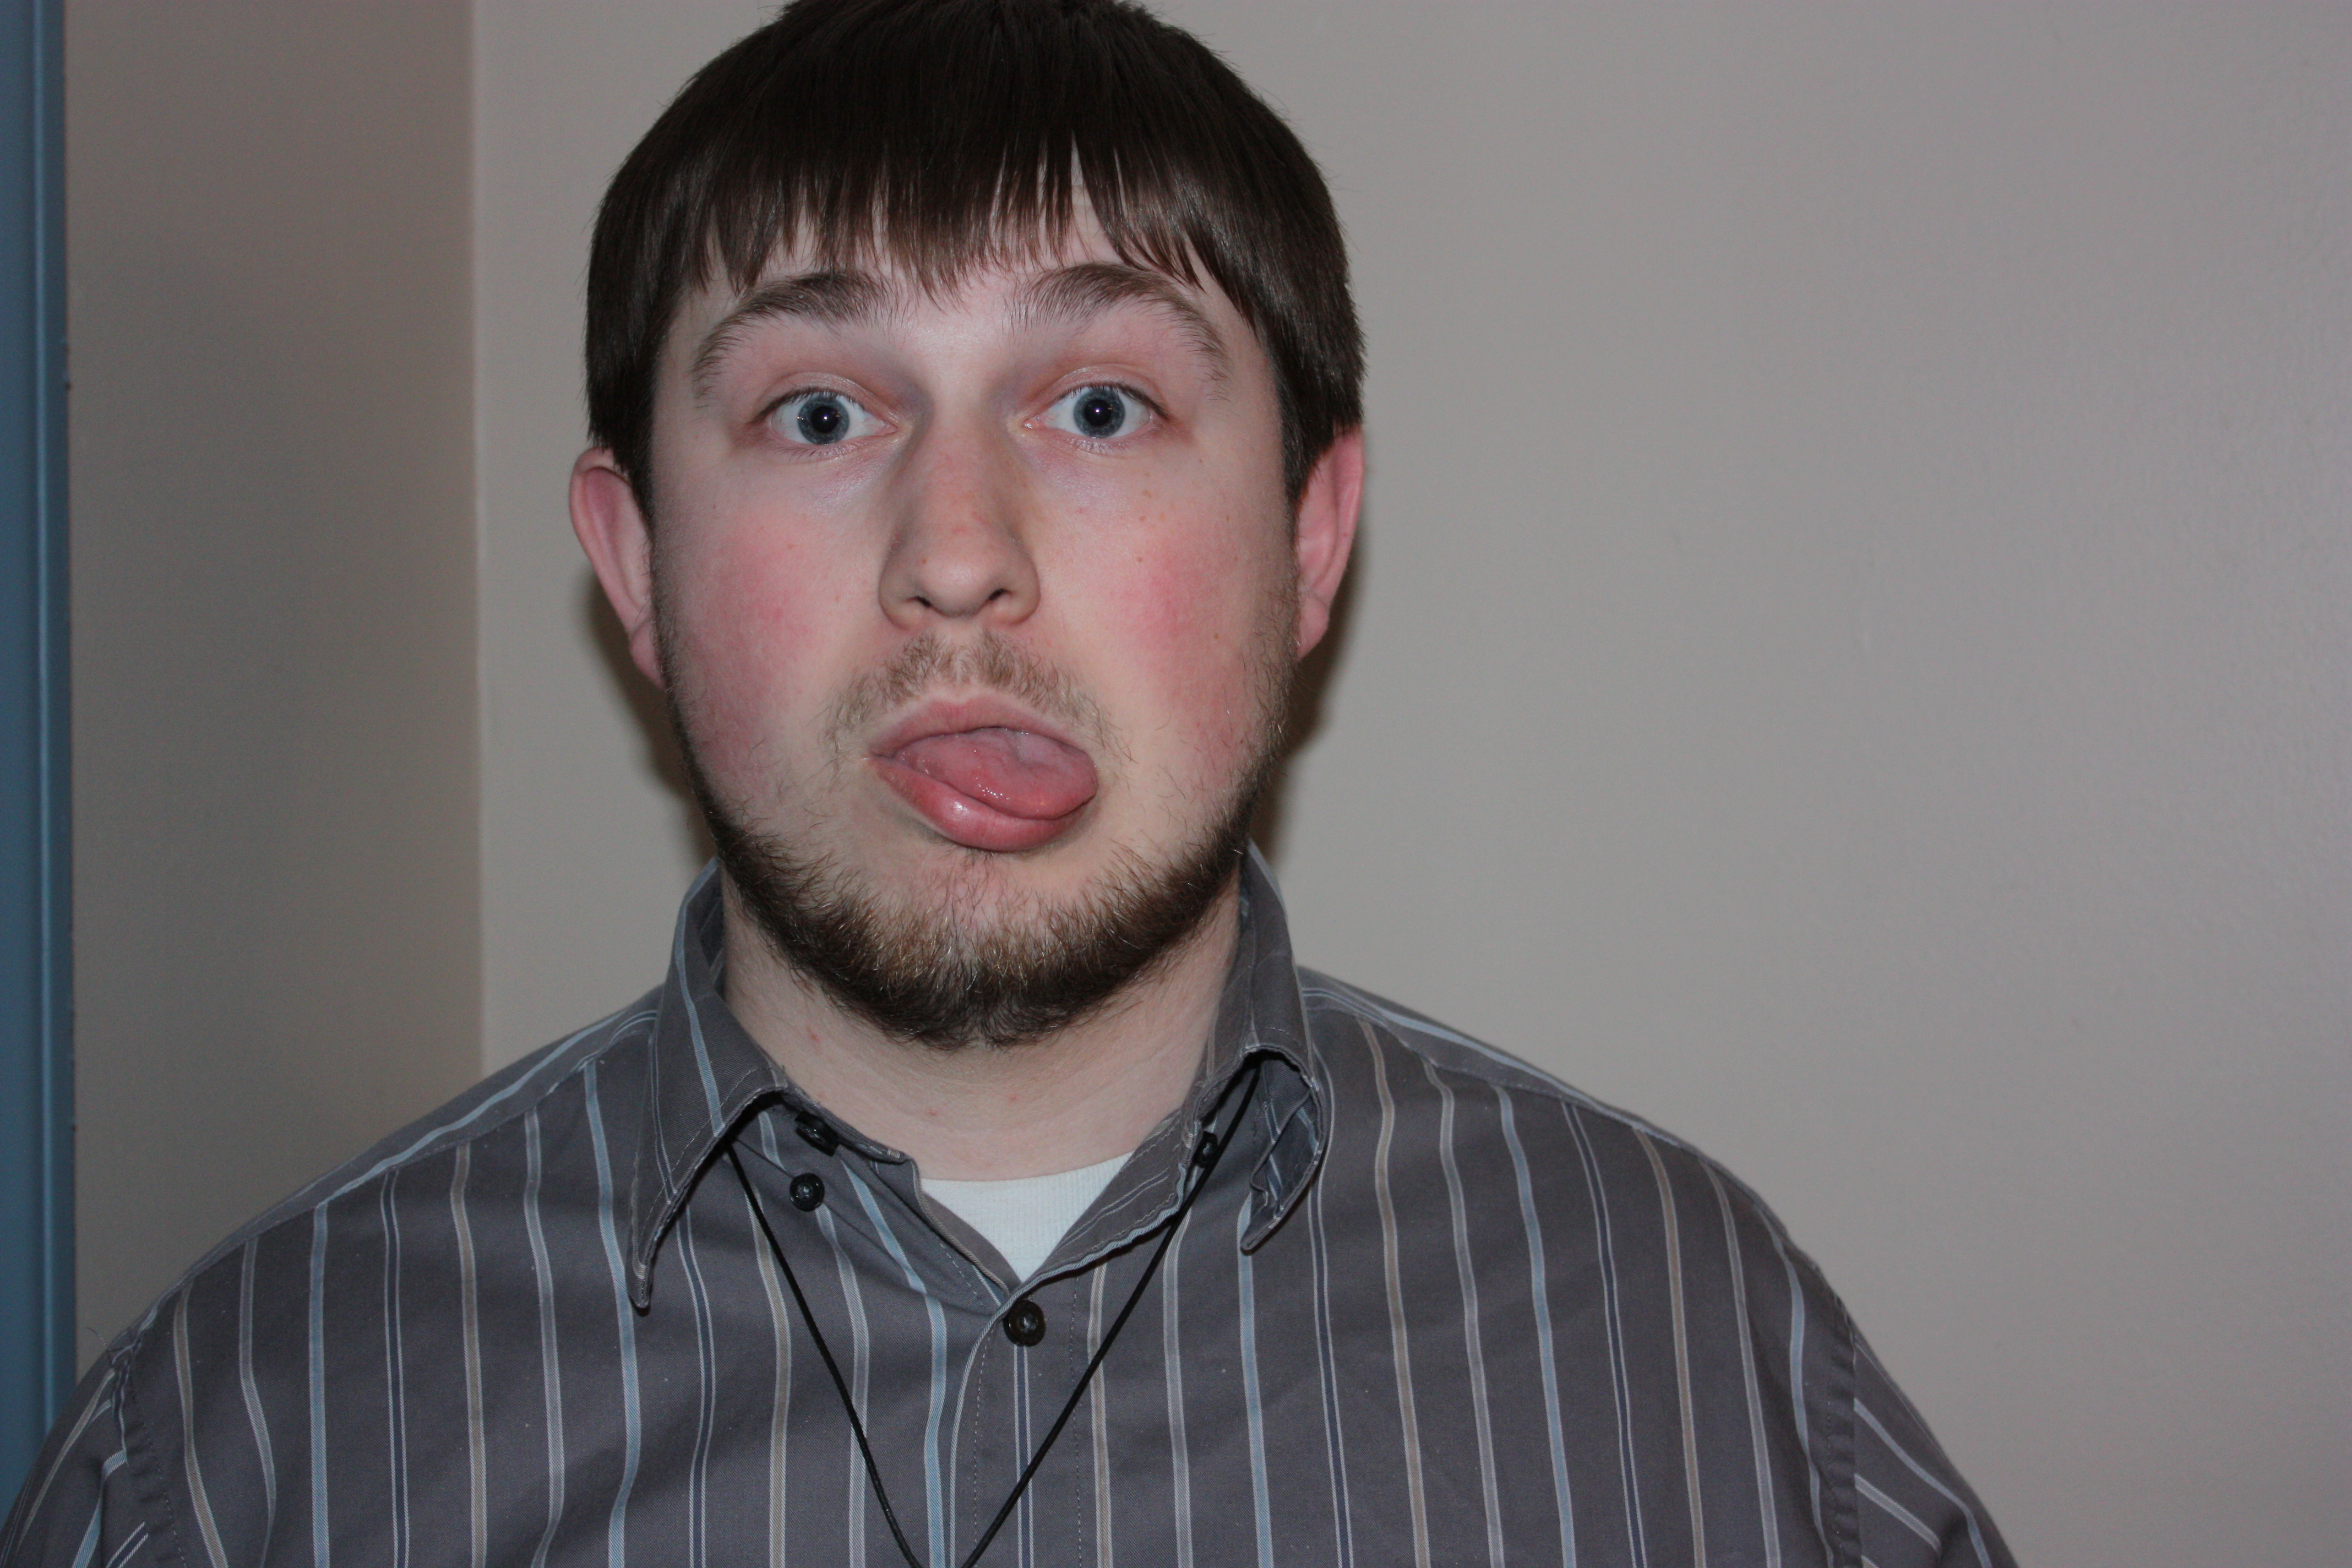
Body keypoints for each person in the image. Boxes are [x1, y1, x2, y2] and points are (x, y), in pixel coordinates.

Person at [4, 2, 2015, 1564]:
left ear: (1310, 542)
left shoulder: (1696, 1342)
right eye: (818, 412)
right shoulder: (237, 1447)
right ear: (636, 572)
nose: (958, 555)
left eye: (1102, 404)